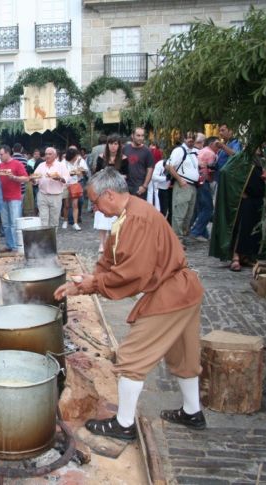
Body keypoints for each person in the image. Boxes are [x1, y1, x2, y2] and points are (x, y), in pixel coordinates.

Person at [54, 167, 206, 441]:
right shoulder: (127, 214)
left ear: (109, 195)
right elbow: (110, 261)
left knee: (132, 358)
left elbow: (134, 273)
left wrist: (94, 284)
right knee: (183, 354)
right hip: (184, 291)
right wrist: (81, 285)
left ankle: (124, 424)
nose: (95, 208)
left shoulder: (137, 219)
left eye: (95, 201)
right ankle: (192, 411)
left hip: (171, 294)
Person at [94, 135, 128, 253]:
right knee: (102, 217)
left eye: (115, 144)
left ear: (119, 146)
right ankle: (101, 243)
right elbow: (96, 174)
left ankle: (113, 242)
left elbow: (126, 175)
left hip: (117, 191)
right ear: (107, 145)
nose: (113, 146)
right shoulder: (101, 157)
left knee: (114, 218)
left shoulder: (124, 159)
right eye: (111, 143)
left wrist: (115, 175)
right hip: (103, 191)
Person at [166, 131, 199, 241]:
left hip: (193, 186)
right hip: (183, 185)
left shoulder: (195, 151)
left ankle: (182, 237)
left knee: (189, 214)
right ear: (184, 139)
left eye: (193, 138)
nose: (191, 140)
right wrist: (180, 180)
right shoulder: (179, 150)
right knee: (179, 214)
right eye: (188, 137)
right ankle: (177, 239)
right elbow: (170, 166)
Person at [0, 145, 29, 252]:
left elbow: (26, 178)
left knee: (14, 223)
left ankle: (16, 246)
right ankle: (9, 244)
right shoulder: (0, 165)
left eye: (1, 154)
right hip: (3, 197)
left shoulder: (17, 164)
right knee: (5, 224)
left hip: (14, 197)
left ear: (7, 153)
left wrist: (14, 177)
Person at [190, 136, 220, 242]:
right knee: (208, 208)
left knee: (201, 208)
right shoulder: (211, 154)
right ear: (211, 144)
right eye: (217, 144)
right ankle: (195, 231)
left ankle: (203, 233)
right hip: (203, 182)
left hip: (197, 182)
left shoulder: (202, 150)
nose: (219, 147)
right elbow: (209, 170)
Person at [33, 147, 70, 228]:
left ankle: (52, 240)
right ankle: (44, 240)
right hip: (42, 195)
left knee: (54, 221)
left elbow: (66, 180)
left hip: (56, 196)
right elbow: (35, 179)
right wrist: (33, 180)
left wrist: (59, 178)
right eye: (46, 154)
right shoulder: (41, 165)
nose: (47, 156)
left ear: (55, 155)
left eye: (50, 154)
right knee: (43, 220)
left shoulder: (61, 166)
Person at [122, 127, 155, 199]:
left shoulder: (147, 151)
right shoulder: (125, 148)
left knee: (138, 209)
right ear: (132, 135)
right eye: (138, 135)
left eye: (142, 135)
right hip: (125, 187)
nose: (141, 138)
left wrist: (144, 186)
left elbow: (150, 169)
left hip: (139, 187)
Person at [62, 147, 88, 231]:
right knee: (66, 205)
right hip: (65, 185)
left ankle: (75, 223)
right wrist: (70, 173)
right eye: (76, 155)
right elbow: (62, 173)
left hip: (75, 184)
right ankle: (65, 220)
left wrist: (80, 171)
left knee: (75, 205)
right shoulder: (63, 162)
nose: (77, 156)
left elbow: (84, 170)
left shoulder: (79, 160)